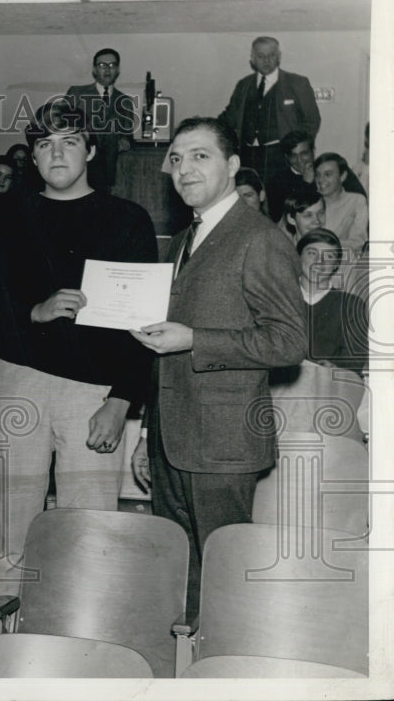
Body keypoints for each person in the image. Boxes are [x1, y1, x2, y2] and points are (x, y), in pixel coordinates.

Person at [130, 117, 306, 618]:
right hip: (171, 435)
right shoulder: (183, 238)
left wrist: (196, 340)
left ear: (232, 165)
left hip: (224, 442)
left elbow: (289, 341)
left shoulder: (259, 237)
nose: (184, 169)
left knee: (225, 580)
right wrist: (147, 434)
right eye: (177, 158)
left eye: (200, 156)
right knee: (182, 572)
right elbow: (161, 346)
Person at [0, 102, 157, 600]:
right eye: (44, 144)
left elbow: (142, 324)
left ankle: (82, 651)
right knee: (10, 527)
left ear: (92, 150)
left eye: (69, 141)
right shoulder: (0, 216)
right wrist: (31, 313)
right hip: (20, 380)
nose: (56, 153)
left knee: (90, 531)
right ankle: (1, 652)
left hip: (93, 394)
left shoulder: (127, 219)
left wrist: (122, 400)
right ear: (31, 157)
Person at [217, 37, 321, 221]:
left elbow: (311, 121)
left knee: (280, 205)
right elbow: (229, 117)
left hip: (280, 157)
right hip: (248, 155)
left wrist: (299, 155)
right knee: (247, 203)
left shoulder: (297, 83)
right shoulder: (244, 85)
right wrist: (205, 128)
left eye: (271, 55)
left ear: (279, 57)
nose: (266, 60)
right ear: (252, 59)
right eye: (260, 56)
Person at [294, 228, 368, 376]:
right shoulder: (277, 299)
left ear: (336, 264)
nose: (319, 262)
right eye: (312, 253)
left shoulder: (351, 305)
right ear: (298, 257)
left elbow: (353, 362)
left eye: (328, 256)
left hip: (329, 389)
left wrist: (335, 368)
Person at [65, 48, 136, 192]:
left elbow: (127, 135)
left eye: (112, 65)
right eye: (102, 65)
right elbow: (62, 124)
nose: (107, 70)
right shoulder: (76, 93)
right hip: (78, 166)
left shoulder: (125, 101)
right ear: (94, 69)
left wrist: (125, 141)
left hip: (108, 172)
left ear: (117, 70)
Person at [314, 152, 368, 257]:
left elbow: (359, 241)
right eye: (317, 175)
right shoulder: (309, 201)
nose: (321, 180)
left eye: (328, 174)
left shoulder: (356, 200)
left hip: (341, 259)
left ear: (343, 176)